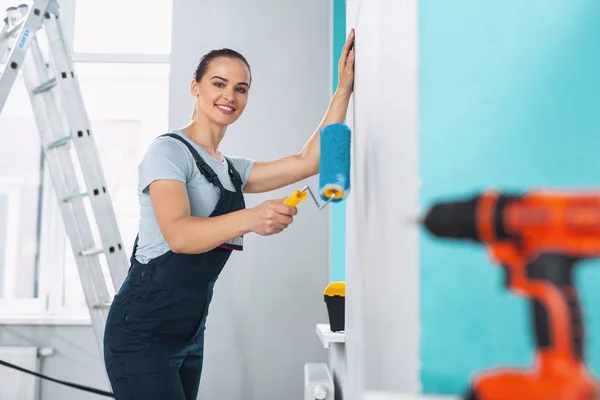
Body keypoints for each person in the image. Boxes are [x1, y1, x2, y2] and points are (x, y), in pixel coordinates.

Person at [102, 29, 355, 400]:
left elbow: (307, 162)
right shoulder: (168, 152)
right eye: (219, 83)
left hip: (189, 333)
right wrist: (251, 219)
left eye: (241, 88)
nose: (229, 96)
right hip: (141, 333)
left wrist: (343, 90)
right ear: (195, 87)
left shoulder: (230, 169)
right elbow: (179, 235)